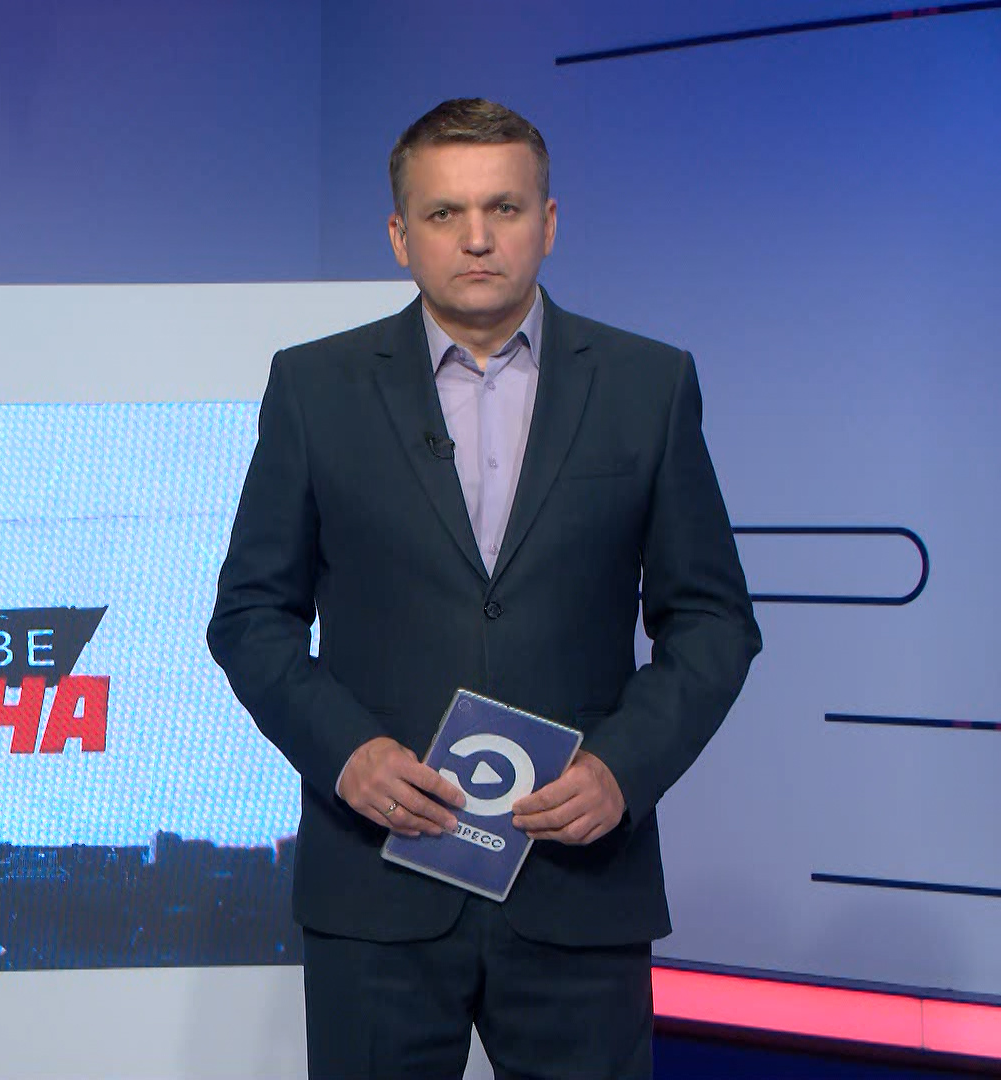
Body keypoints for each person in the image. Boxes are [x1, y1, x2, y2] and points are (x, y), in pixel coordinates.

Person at [207, 98, 762, 1079]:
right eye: (444, 213)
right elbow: (251, 616)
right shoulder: (315, 388)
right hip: (377, 884)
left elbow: (713, 621)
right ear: (400, 235)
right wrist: (348, 754)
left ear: (548, 222)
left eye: (503, 208)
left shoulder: (648, 385)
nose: (476, 238)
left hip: (579, 885)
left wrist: (623, 769)